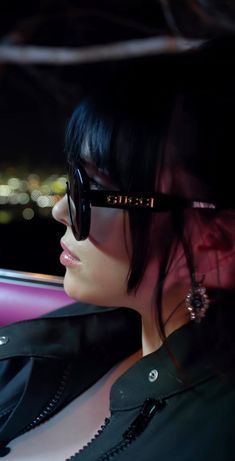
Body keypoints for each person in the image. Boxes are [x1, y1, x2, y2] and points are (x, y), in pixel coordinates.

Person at [52, 37, 235, 461]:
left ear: (218, 244)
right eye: (74, 179)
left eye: (93, 189)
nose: (62, 209)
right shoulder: (82, 335)